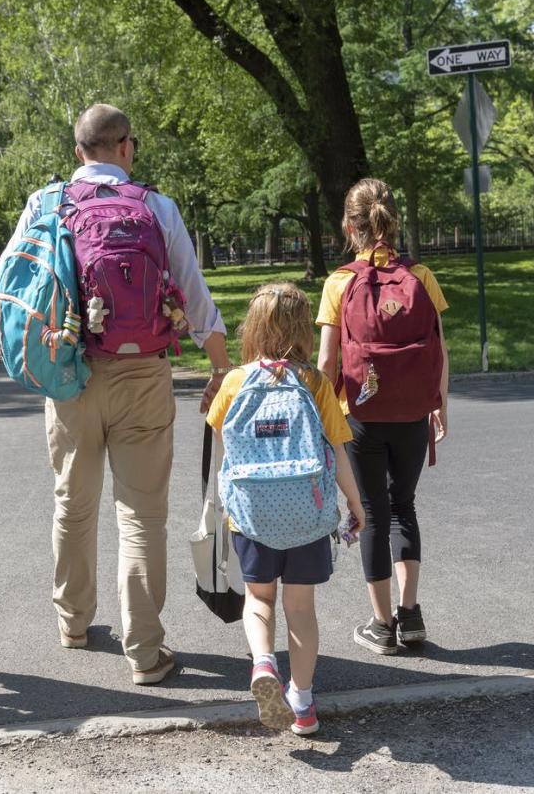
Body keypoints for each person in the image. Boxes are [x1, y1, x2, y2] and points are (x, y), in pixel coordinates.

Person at [0, 103, 233, 685]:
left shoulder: (47, 203)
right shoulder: (156, 206)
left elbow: (8, 277)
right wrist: (223, 369)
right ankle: (145, 653)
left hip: (71, 372)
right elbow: (197, 297)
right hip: (144, 375)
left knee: (73, 504)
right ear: (127, 147)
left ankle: (74, 622)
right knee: (143, 516)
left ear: (78, 153)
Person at [205, 282, 365, 735]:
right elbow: (337, 454)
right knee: (300, 608)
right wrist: (356, 505)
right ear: (303, 330)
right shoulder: (314, 383)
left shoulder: (235, 382)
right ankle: (303, 701)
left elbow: (225, 446)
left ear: (252, 328)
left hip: (253, 515)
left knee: (258, 599)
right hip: (308, 516)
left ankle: (261, 665)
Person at [316, 178, 449, 656]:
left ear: (350, 227)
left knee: (371, 512)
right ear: (394, 220)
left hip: (360, 415)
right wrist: (439, 405)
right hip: (413, 411)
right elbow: (439, 349)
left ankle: (380, 625)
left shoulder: (339, 283)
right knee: (404, 507)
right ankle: (410, 616)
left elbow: (328, 362)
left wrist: (319, 413)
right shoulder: (423, 276)